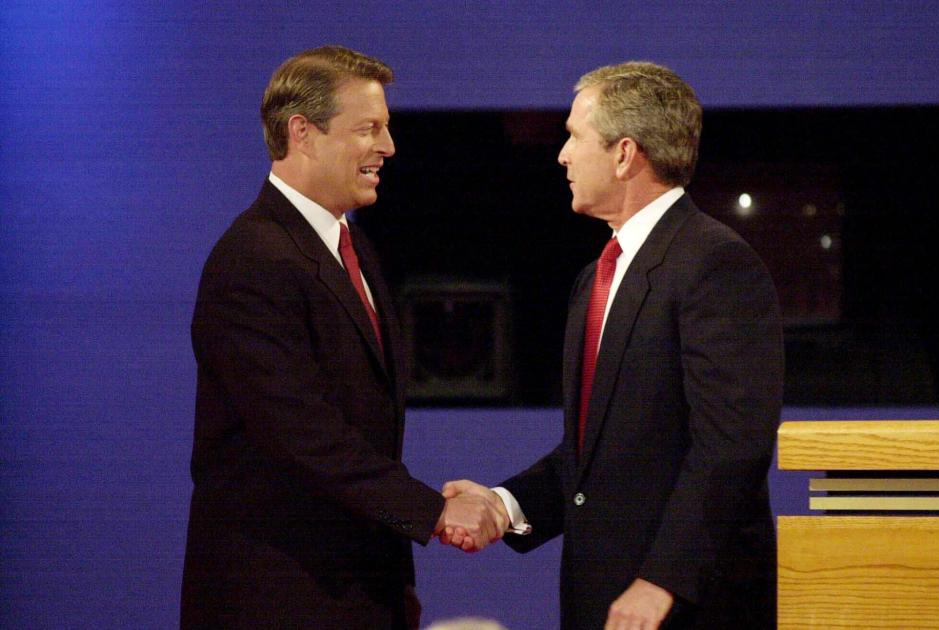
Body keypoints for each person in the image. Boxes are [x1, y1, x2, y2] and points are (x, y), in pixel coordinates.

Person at [442, 62, 783, 629]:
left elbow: (732, 448)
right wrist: (505, 506)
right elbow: (596, 460)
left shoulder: (717, 264)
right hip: (602, 601)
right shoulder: (596, 278)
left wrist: (662, 580)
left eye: (574, 136)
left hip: (685, 608)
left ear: (624, 154)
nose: (562, 156)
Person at [180, 46, 507, 629]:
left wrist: (396, 585)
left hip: (355, 593)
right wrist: (434, 512)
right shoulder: (252, 258)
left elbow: (368, 435)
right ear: (302, 132)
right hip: (278, 598)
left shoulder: (347, 246)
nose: (388, 147)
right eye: (369, 129)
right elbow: (300, 431)